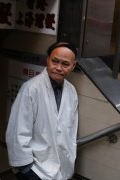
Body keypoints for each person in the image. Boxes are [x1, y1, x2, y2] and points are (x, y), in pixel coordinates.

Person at [6, 41, 79, 180]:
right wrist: (26, 170)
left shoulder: (71, 91)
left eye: (65, 64)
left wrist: (70, 160)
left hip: (61, 167)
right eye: (55, 61)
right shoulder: (31, 88)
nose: (58, 68)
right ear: (48, 60)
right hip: (34, 169)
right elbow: (17, 132)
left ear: (73, 66)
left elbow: (71, 132)